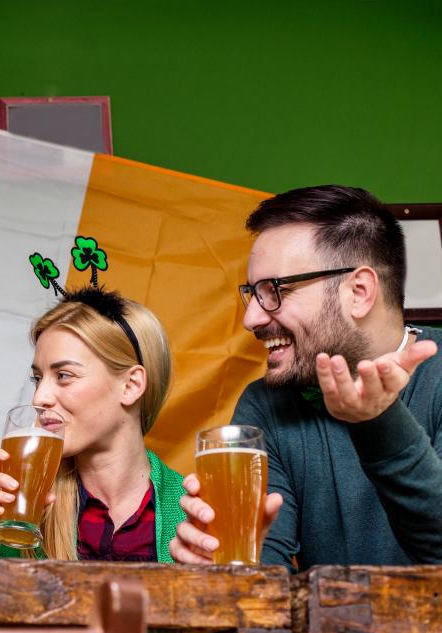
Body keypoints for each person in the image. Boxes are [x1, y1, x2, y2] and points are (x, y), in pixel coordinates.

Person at [170, 185, 442, 569]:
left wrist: (378, 420)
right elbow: (265, 582)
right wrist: (224, 565)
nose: (251, 319)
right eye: (253, 293)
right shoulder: (265, 404)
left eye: (275, 290)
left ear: (359, 292)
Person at [0, 287, 186, 562]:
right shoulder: (24, 510)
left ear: (131, 385)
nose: (40, 397)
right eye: (37, 378)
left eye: (64, 375)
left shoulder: (195, 513)